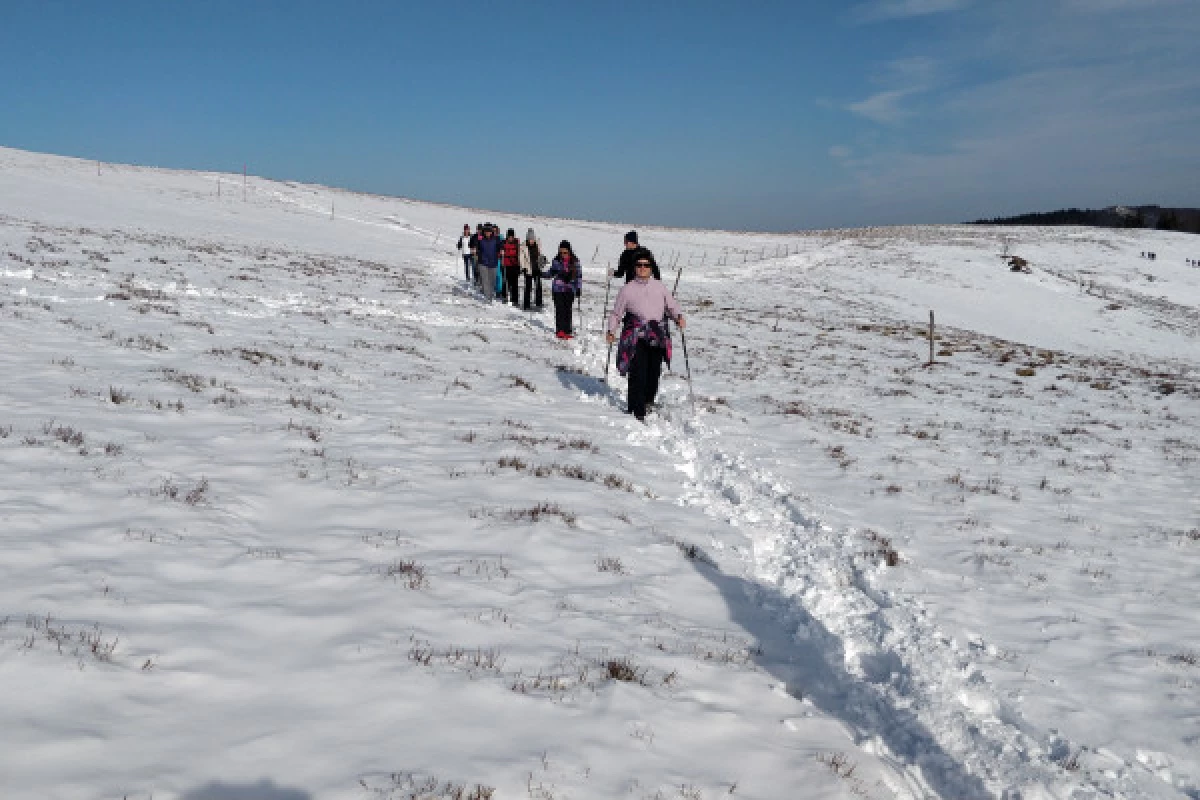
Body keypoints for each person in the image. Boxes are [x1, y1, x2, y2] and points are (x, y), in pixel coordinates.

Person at [605, 248, 684, 421]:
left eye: (646, 265)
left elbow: (671, 307)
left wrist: (678, 317)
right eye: (639, 265)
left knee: (653, 374)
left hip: (657, 335)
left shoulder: (660, 287)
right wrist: (611, 330)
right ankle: (636, 409)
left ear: (651, 267)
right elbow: (616, 314)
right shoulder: (627, 290)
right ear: (634, 268)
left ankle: (647, 401)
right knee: (638, 373)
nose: (642, 268)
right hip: (635, 337)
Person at [547, 240, 583, 338]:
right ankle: (560, 330)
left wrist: (578, 288)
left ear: (569, 251)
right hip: (557, 289)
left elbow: (579, 276)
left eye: (565, 252)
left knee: (567, 310)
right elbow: (550, 273)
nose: (563, 255)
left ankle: (567, 330)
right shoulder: (556, 261)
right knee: (560, 309)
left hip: (570, 289)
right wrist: (540, 274)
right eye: (561, 252)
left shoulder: (575, 262)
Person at [520, 228, 545, 311]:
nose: (531, 241)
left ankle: (539, 303)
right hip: (528, 269)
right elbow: (521, 258)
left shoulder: (538, 245)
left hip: (537, 269)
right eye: (530, 239)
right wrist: (523, 267)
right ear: (527, 239)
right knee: (528, 287)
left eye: (532, 239)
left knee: (538, 286)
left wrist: (542, 263)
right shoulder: (523, 247)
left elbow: (540, 255)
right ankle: (526, 304)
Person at [475, 224, 501, 300]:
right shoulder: (481, 239)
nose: (487, 233)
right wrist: (475, 249)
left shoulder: (496, 239)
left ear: (491, 232)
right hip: (483, 263)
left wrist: (502, 249)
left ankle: (490, 295)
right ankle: (487, 298)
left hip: (493, 263)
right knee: (485, 280)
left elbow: (500, 245)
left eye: (489, 231)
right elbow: (475, 244)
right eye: (486, 231)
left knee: (492, 281)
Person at [501, 228, 522, 306]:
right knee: (506, 282)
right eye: (509, 237)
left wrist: (519, 266)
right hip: (506, 265)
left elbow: (520, 255)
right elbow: (500, 253)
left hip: (515, 266)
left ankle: (515, 300)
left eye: (512, 237)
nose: (510, 238)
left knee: (515, 284)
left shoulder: (517, 244)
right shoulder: (504, 243)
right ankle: (505, 297)